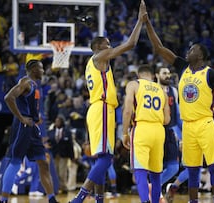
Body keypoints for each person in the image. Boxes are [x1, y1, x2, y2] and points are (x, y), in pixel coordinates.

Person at [144, 11, 214, 203]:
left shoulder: (210, 74)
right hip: (187, 126)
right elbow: (159, 47)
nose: (189, 50)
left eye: (193, 49)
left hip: (206, 123)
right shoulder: (182, 67)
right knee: (192, 170)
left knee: (213, 167)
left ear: (201, 55)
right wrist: (147, 23)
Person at [69, 1, 147, 202]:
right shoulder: (100, 56)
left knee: (101, 159)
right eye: (107, 43)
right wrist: (139, 22)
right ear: (98, 47)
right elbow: (130, 44)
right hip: (102, 109)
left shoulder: (92, 65)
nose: (110, 46)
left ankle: (99, 199)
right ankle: (79, 198)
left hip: (97, 109)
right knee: (106, 159)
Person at [0, 59, 59, 203]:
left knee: (43, 162)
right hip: (23, 126)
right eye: (41, 68)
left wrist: (35, 117)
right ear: (34, 69)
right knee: (15, 162)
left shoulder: (34, 85)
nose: (43, 71)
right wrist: (21, 118)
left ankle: (51, 199)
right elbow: (9, 97)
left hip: (33, 127)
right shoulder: (25, 82)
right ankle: (3, 200)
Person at [122, 64, 171, 203]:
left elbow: (127, 110)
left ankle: (145, 201)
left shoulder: (134, 84)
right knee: (156, 174)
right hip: (159, 130)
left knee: (140, 171)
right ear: (153, 76)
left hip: (142, 128)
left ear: (139, 75)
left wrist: (125, 133)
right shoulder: (162, 90)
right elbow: (167, 119)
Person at [155, 66, 181, 197]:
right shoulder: (153, 90)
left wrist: (180, 135)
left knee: (174, 167)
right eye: (164, 73)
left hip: (170, 131)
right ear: (157, 75)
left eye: (169, 73)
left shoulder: (174, 91)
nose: (168, 75)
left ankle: (155, 186)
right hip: (156, 130)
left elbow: (177, 115)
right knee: (156, 165)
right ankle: (153, 190)